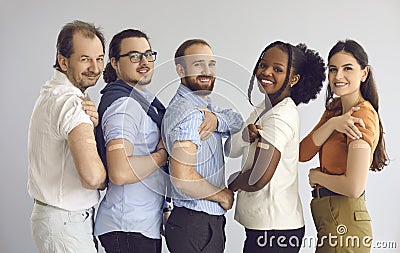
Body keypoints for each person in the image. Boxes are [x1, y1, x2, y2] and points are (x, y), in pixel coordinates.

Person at [225, 41, 326, 252]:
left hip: (275, 231)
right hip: (268, 228)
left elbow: (259, 177)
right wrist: (245, 136)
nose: (266, 72)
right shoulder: (264, 108)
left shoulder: (280, 116)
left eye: (277, 69)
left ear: (294, 79)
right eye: (263, 65)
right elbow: (230, 149)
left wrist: (233, 183)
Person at [299, 39, 389, 252]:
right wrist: (332, 124)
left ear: (364, 73)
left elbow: (354, 187)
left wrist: (317, 177)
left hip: (345, 222)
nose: (338, 76)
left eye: (347, 68)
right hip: (330, 219)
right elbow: (302, 153)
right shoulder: (335, 110)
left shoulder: (362, 116)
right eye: (333, 69)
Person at [27, 20, 107, 253]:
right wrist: (114, 176)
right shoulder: (72, 104)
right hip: (65, 223)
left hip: (57, 220)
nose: (95, 67)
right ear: (63, 61)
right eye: (85, 59)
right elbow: (93, 178)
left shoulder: (53, 93)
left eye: (99, 58)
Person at [162, 39, 244, 253]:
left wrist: (216, 119)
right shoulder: (190, 113)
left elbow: (236, 120)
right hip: (195, 224)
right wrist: (222, 195)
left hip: (197, 223)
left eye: (211, 64)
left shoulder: (201, 106)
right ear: (181, 69)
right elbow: (182, 177)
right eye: (198, 64)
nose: (207, 71)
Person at [93, 29, 170, 253]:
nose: (144, 62)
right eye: (134, 56)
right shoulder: (124, 106)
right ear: (115, 62)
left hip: (141, 224)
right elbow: (120, 171)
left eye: (148, 54)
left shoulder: (142, 100)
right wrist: (163, 154)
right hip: (128, 227)